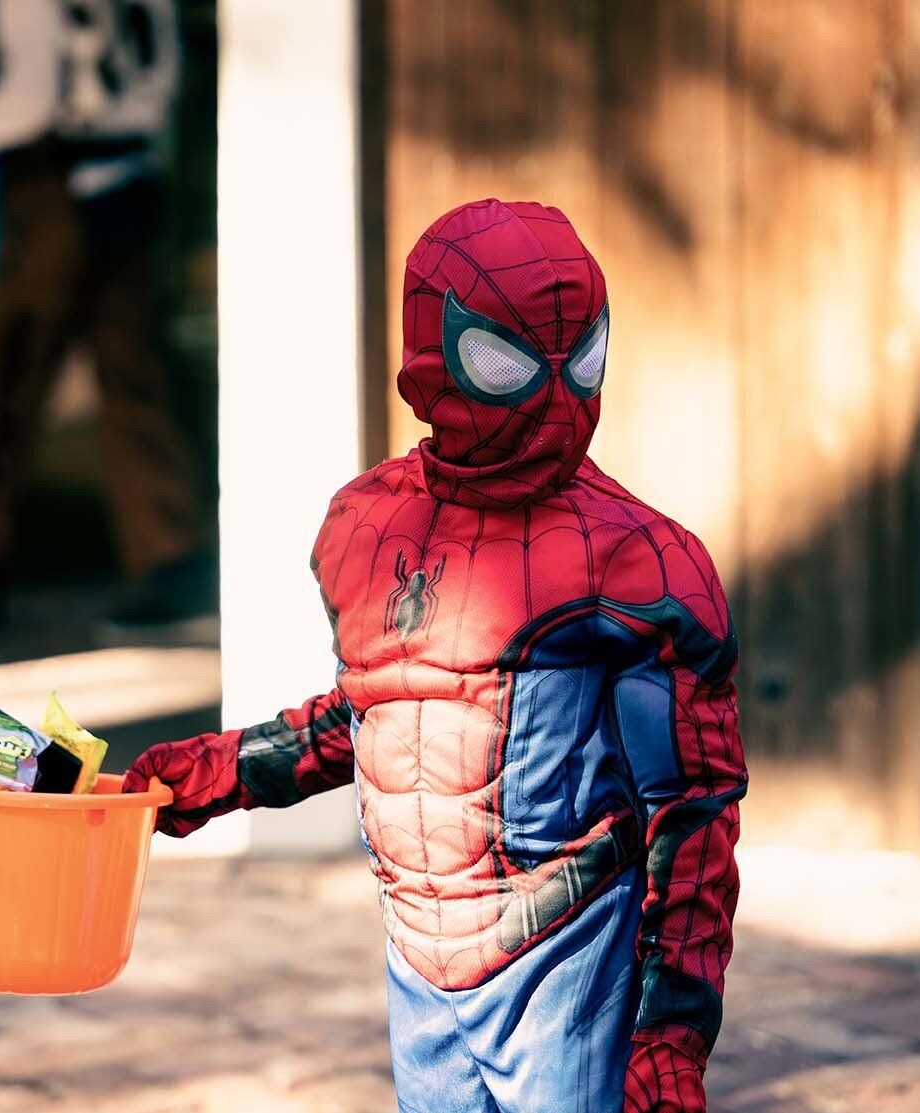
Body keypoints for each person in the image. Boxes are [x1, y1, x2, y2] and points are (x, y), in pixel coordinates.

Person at [124, 199, 747, 1113]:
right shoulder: (368, 523)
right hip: (419, 963)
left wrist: (671, 1036)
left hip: (564, 955)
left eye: (578, 357)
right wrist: (221, 771)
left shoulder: (637, 563)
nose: (553, 394)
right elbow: (382, 716)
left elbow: (692, 815)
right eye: (507, 361)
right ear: (436, 353)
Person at [0, 0, 213, 644]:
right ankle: (175, 561)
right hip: (131, 181)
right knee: (134, 379)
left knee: (11, 373)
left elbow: (30, 100)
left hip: (58, 190)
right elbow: (165, 80)